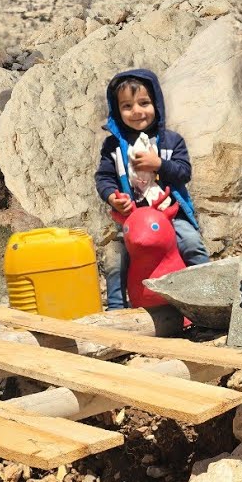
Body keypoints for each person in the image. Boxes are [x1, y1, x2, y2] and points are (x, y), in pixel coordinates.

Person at [95, 68, 209, 310]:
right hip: (132, 220)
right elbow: (104, 177)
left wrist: (159, 164)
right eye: (127, 106)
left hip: (169, 215)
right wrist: (113, 197)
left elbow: (184, 172)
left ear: (156, 103)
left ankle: (207, 294)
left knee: (191, 242)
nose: (136, 111)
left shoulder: (171, 141)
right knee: (115, 259)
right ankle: (116, 309)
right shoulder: (113, 147)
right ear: (117, 111)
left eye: (144, 103)